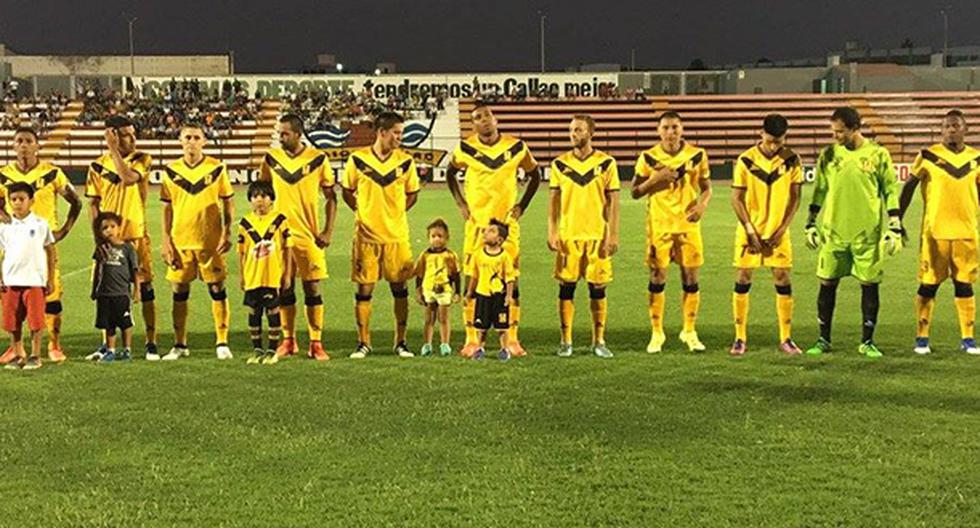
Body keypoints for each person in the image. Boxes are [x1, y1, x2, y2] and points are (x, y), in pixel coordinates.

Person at [804, 107, 902, 358]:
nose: (836, 136)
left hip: (867, 235)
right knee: (827, 284)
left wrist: (894, 224)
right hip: (833, 233)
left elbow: (890, 190)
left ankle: (867, 341)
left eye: (840, 132)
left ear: (855, 128)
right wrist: (810, 221)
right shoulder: (828, 155)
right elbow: (820, 190)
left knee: (869, 286)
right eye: (833, 131)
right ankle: (823, 339)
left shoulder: (878, 154)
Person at [446, 102, 541, 357]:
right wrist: (461, 203)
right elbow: (450, 172)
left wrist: (522, 205)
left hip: (506, 226)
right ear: (473, 124)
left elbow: (536, 174)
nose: (484, 120)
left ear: (495, 119)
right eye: (478, 117)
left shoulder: (516, 147)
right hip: (477, 225)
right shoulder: (465, 148)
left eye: (487, 115)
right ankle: (472, 340)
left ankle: (512, 339)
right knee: (472, 280)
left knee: (511, 280)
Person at [898, 109, 980, 355]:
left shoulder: (976, 159)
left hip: (967, 233)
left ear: (965, 129)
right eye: (946, 126)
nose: (951, 130)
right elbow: (909, 187)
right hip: (935, 234)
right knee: (928, 284)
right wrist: (897, 219)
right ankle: (922, 338)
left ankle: (968, 339)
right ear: (941, 130)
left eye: (955, 125)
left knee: (964, 285)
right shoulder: (928, 155)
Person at [341, 111, 420, 359]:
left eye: (401, 133)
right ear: (382, 132)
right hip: (366, 237)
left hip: (396, 236)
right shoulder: (358, 159)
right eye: (396, 133)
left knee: (400, 289)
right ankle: (363, 342)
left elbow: (412, 194)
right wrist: (362, 212)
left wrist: (394, 214)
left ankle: (401, 342)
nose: (400, 137)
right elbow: (346, 191)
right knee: (364, 291)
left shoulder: (406, 162)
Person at [631, 112, 712, 353]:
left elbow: (707, 189)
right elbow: (635, 191)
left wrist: (702, 205)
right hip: (660, 227)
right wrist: (655, 179)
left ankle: (689, 330)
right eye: (666, 127)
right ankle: (657, 332)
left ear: (682, 129)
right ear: (658, 131)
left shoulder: (697, 155)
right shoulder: (648, 157)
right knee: (657, 278)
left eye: (674, 127)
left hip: (688, 226)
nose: (670, 132)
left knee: (691, 279)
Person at [0, 127, 82, 363]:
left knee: (51, 295)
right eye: (19, 141)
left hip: (42, 246)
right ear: (13, 146)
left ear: (37, 145)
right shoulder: (3, 175)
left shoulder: (52, 173)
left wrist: (64, 229)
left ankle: (53, 344)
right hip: (13, 246)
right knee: (11, 299)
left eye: (28, 141)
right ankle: (15, 348)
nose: (23, 145)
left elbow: (75, 202)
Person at [258, 114, 335, 361]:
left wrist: (327, 231)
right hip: (279, 237)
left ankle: (316, 343)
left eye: (285, 133)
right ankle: (289, 340)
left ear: (298, 133)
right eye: (279, 133)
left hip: (308, 235)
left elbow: (332, 197)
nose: (280, 138)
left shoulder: (318, 158)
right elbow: (262, 194)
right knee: (284, 288)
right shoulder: (271, 159)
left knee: (312, 288)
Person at [729, 114, 804, 356]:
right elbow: (736, 198)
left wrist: (782, 229)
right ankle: (740, 338)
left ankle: (786, 338)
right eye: (770, 140)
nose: (774, 146)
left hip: (777, 231)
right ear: (761, 134)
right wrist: (750, 230)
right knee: (743, 278)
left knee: (782, 278)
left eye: (779, 142)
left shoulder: (792, 160)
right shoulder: (746, 160)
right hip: (749, 230)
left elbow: (795, 198)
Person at [85, 115, 159, 360]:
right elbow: (93, 204)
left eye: (133, 133)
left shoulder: (141, 158)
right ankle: (108, 344)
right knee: (106, 292)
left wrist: (113, 150)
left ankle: (151, 342)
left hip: (135, 236)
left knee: (145, 289)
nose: (134, 138)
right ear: (113, 135)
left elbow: (128, 178)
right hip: (108, 240)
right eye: (127, 134)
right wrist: (98, 239)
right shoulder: (96, 166)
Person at [160, 123, 235, 360]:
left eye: (196, 137)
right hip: (181, 242)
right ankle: (180, 344)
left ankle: (222, 342)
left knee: (217, 289)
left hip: (210, 242)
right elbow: (167, 208)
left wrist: (227, 231)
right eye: (187, 137)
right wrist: (166, 241)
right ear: (180, 141)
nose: (192, 141)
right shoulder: (171, 171)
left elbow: (228, 201)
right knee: (179, 291)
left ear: (204, 141)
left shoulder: (217, 168)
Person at [547, 114, 620, 358]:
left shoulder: (607, 163)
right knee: (566, 288)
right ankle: (565, 340)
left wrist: (613, 235)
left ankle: (598, 341)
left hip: (597, 235)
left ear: (591, 133)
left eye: (578, 130)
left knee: (597, 288)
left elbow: (614, 202)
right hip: (569, 236)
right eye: (571, 130)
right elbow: (553, 203)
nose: (573, 134)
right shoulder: (559, 164)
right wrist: (552, 231)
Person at [0, 182, 55, 370]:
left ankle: (35, 355)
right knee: (12, 322)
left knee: (35, 321)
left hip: (34, 281)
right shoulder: (4, 226)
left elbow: (50, 250)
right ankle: (18, 354)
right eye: (13, 199)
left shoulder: (40, 224)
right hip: (10, 281)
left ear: (31, 201)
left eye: (21, 199)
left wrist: (50, 279)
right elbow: (2, 254)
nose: (17, 203)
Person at [237, 181, 292, 365]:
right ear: (250, 200)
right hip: (252, 275)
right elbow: (242, 252)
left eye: (264, 196)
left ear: (272, 199)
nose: (259, 200)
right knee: (254, 311)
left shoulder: (280, 220)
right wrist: (242, 275)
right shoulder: (245, 222)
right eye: (255, 196)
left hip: (272, 275)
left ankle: (272, 350)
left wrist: (287, 274)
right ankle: (257, 350)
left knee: (273, 310)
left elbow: (288, 249)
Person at [87, 212, 139, 363]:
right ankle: (110, 350)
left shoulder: (128, 248)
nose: (109, 230)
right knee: (108, 324)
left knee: (125, 323)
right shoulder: (101, 249)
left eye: (112, 226)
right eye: (105, 228)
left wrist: (137, 291)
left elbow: (135, 271)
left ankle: (127, 350)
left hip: (121, 293)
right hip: (104, 293)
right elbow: (97, 270)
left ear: (119, 228)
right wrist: (94, 289)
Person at [466, 219, 516, 361]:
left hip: (499, 296)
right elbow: (474, 276)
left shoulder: (504, 257)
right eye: (486, 230)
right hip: (482, 295)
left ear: (499, 240)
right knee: (481, 326)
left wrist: (509, 295)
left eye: (491, 231)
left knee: (502, 326)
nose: (485, 232)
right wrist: (470, 292)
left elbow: (509, 278)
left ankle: (504, 349)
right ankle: (480, 348)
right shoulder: (478, 255)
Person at [414, 218, 461, 357]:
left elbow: (455, 274)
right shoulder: (425, 255)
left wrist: (457, 292)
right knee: (429, 319)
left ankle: (444, 344)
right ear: (428, 238)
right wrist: (418, 291)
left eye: (440, 236)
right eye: (433, 236)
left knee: (443, 318)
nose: (436, 239)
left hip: (444, 290)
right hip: (428, 290)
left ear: (446, 238)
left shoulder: (450, 255)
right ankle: (427, 344)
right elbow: (419, 275)